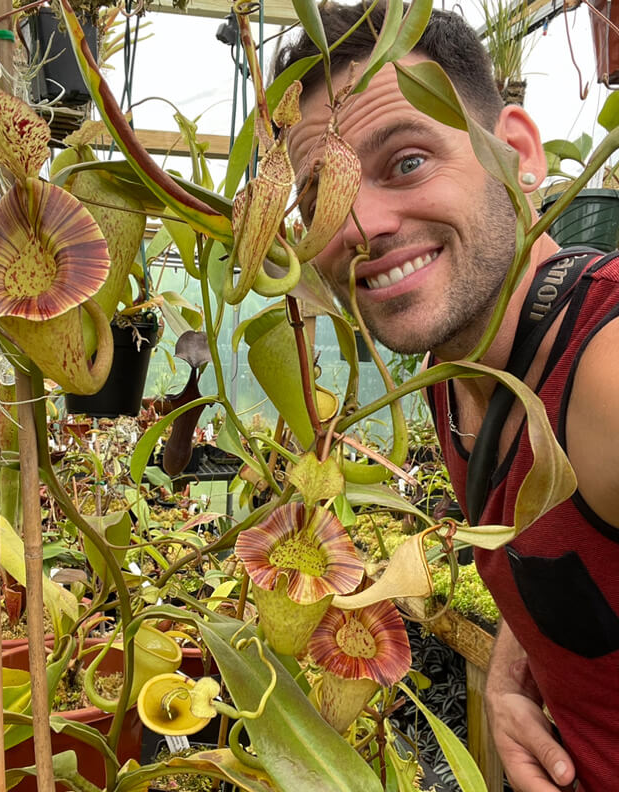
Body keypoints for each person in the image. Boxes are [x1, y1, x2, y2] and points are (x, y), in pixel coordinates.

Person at [274, 5, 619, 792]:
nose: (360, 225)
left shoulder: (602, 373)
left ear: (520, 155)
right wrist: (512, 661)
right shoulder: (456, 371)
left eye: (406, 162)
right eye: (322, 196)